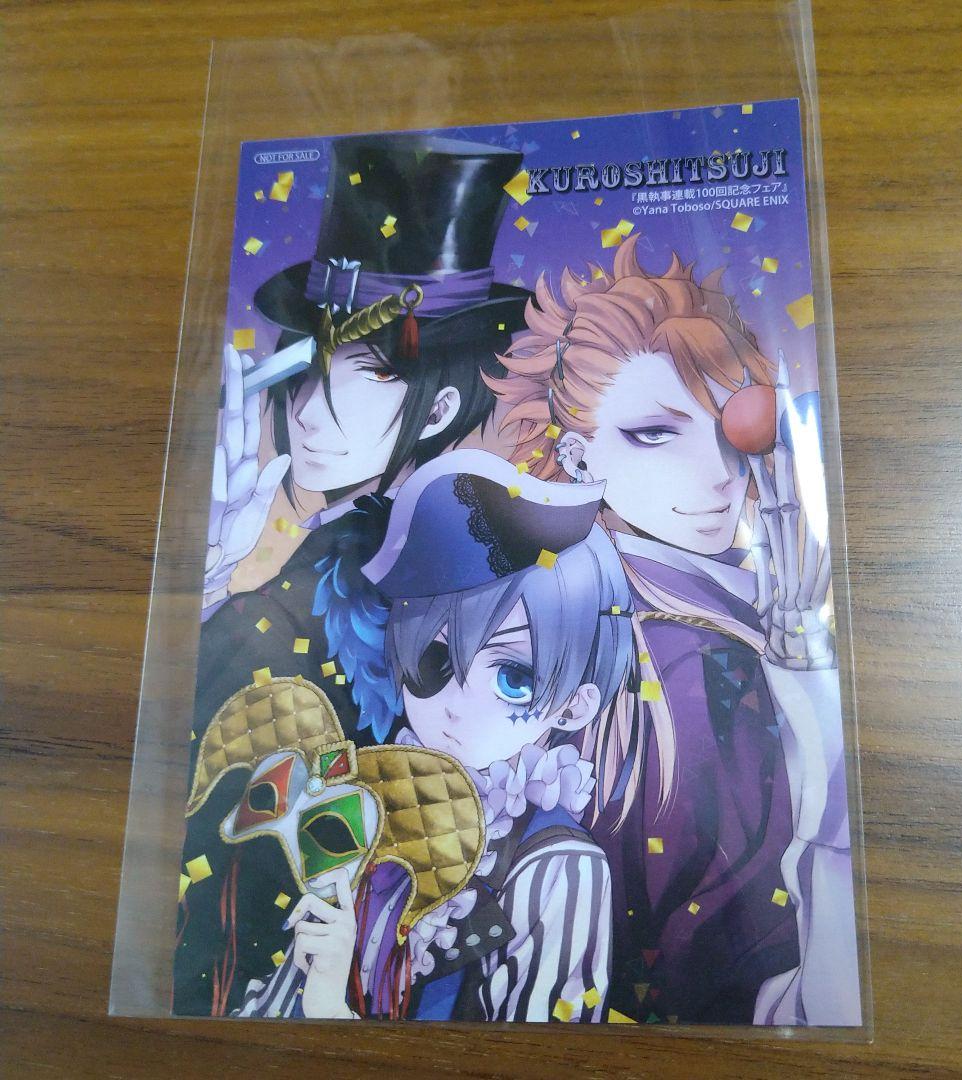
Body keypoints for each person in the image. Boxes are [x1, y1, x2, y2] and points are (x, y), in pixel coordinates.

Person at [175, 134, 530, 1016]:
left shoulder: (462, 571)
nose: (308, 413)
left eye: (361, 374)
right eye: (310, 372)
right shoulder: (286, 546)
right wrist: (214, 580)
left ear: (438, 406)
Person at [486, 237, 861, 1026]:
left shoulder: (726, 604)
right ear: (578, 457)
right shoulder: (678, 659)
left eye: (729, 424)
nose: (719, 471)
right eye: (655, 432)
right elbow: (751, 982)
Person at [231, 450, 639, 1021]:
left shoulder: (558, 868)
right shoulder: (365, 807)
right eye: (434, 659)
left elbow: (542, 1055)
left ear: (575, 706)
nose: (455, 706)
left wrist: (331, 1012)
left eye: (513, 678)